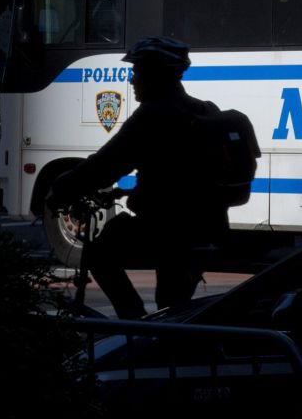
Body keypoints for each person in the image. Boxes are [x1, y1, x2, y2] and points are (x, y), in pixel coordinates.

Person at [46, 36, 229, 319]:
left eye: (137, 72)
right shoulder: (205, 109)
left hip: (168, 229)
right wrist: (125, 193)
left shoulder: (154, 115)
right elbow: (177, 176)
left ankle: (134, 326)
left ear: (156, 76)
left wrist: (61, 188)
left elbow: (105, 165)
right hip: (207, 226)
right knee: (174, 308)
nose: (132, 80)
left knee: (98, 254)